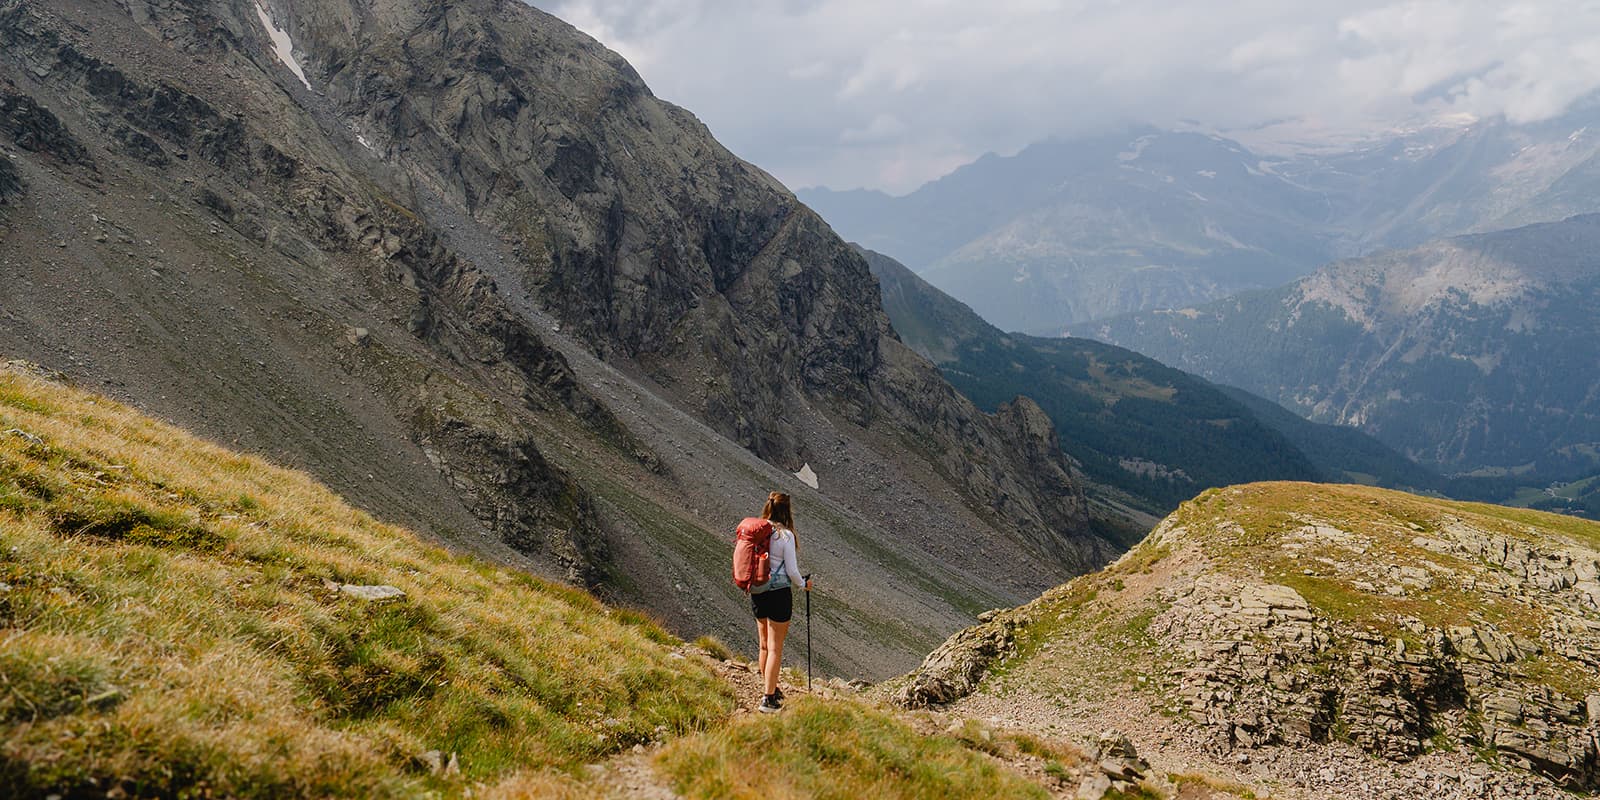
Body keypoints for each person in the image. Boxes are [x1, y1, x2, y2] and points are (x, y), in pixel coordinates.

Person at [749, 491, 810, 713]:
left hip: (758, 590)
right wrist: (804, 585)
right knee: (775, 647)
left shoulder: (758, 529)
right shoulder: (785, 536)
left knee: (764, 644)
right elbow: (792, 572)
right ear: (786, 511)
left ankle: (769, 687)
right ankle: (768, 699)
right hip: (778, 593)